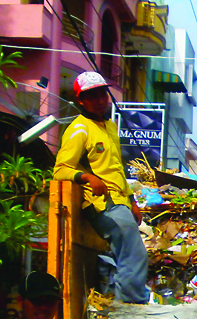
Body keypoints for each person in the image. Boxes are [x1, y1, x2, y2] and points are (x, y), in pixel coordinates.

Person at [53, 71, 149, 303]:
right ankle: (133, 306)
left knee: (132, 253)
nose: (100, 100)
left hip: (119, 202)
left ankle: (126, 303)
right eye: (92, 96)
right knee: (134, 253)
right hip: (100, 204)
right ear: (80, 101)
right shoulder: (80, 129)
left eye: (102, 94)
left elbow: (116, 170)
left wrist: (132, 202)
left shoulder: (109, 127)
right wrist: (86, 178)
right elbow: (59, 169)